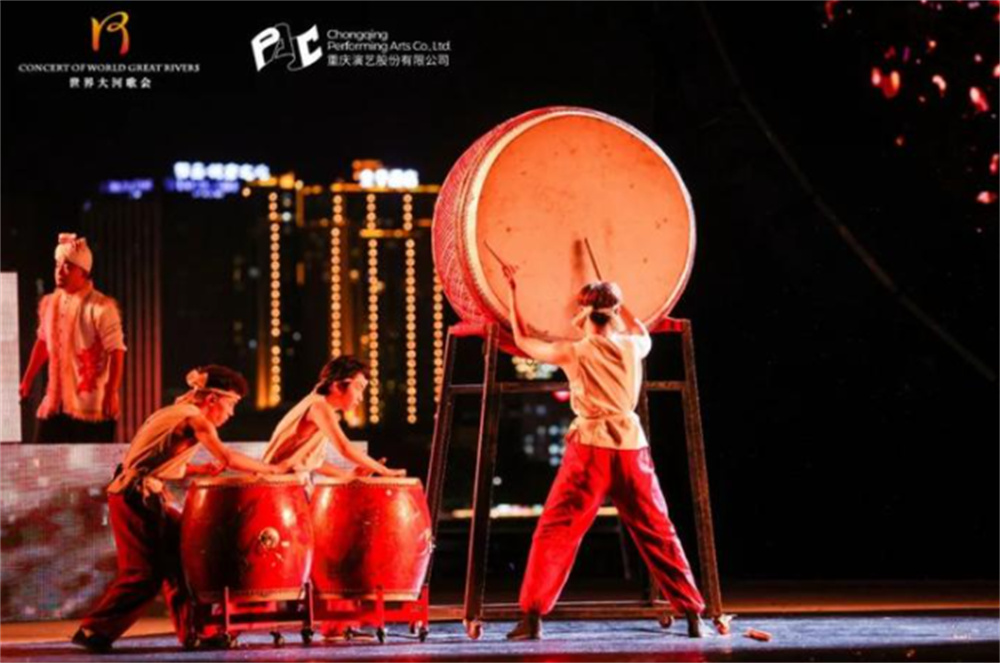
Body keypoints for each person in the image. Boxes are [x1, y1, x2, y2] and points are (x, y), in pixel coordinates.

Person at [502, 271, 711, 640]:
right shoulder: (635, 346)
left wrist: (513, 291)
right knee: (659, 531)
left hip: (591, 449)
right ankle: (694, 615)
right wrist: (618, 303)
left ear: (583, 313)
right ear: (613, 312)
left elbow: (523, 340)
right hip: (630, 447)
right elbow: (639, 326)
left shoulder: (574, 351)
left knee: (555, 533)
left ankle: (532, 619)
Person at [71, 366, 295, 652]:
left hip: (138, 493)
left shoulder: (171, 413)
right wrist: (272, 469)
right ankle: (94, 630)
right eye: (231, 404)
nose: (231, 413)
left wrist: (199, 469)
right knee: (145, 573)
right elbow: (227, 457)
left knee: (183, 564)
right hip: (137, 497)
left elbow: (154, 460)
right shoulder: (194, 419)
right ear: (213, 399)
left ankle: (197, 632)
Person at [19, 233, 126, 442]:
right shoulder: (51, 304)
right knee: (43, 456)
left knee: (91, 460)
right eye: (57, 265)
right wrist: (27, 379)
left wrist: (111, 392)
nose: (60, 271)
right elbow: (43, 341)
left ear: (83, 272)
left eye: (67, 266)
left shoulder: (101, 307)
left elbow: (117, 350)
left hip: (92, 405)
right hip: (56, 403)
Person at [261, 355, 405, 479]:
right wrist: (384, 471)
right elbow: (345, 447)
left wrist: (348, 475)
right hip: (278, 488)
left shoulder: (318, 405)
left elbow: (311, 461)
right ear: (337, 386)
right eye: (358, 388)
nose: (360, 398)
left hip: (282, 486)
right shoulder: (320, 407)